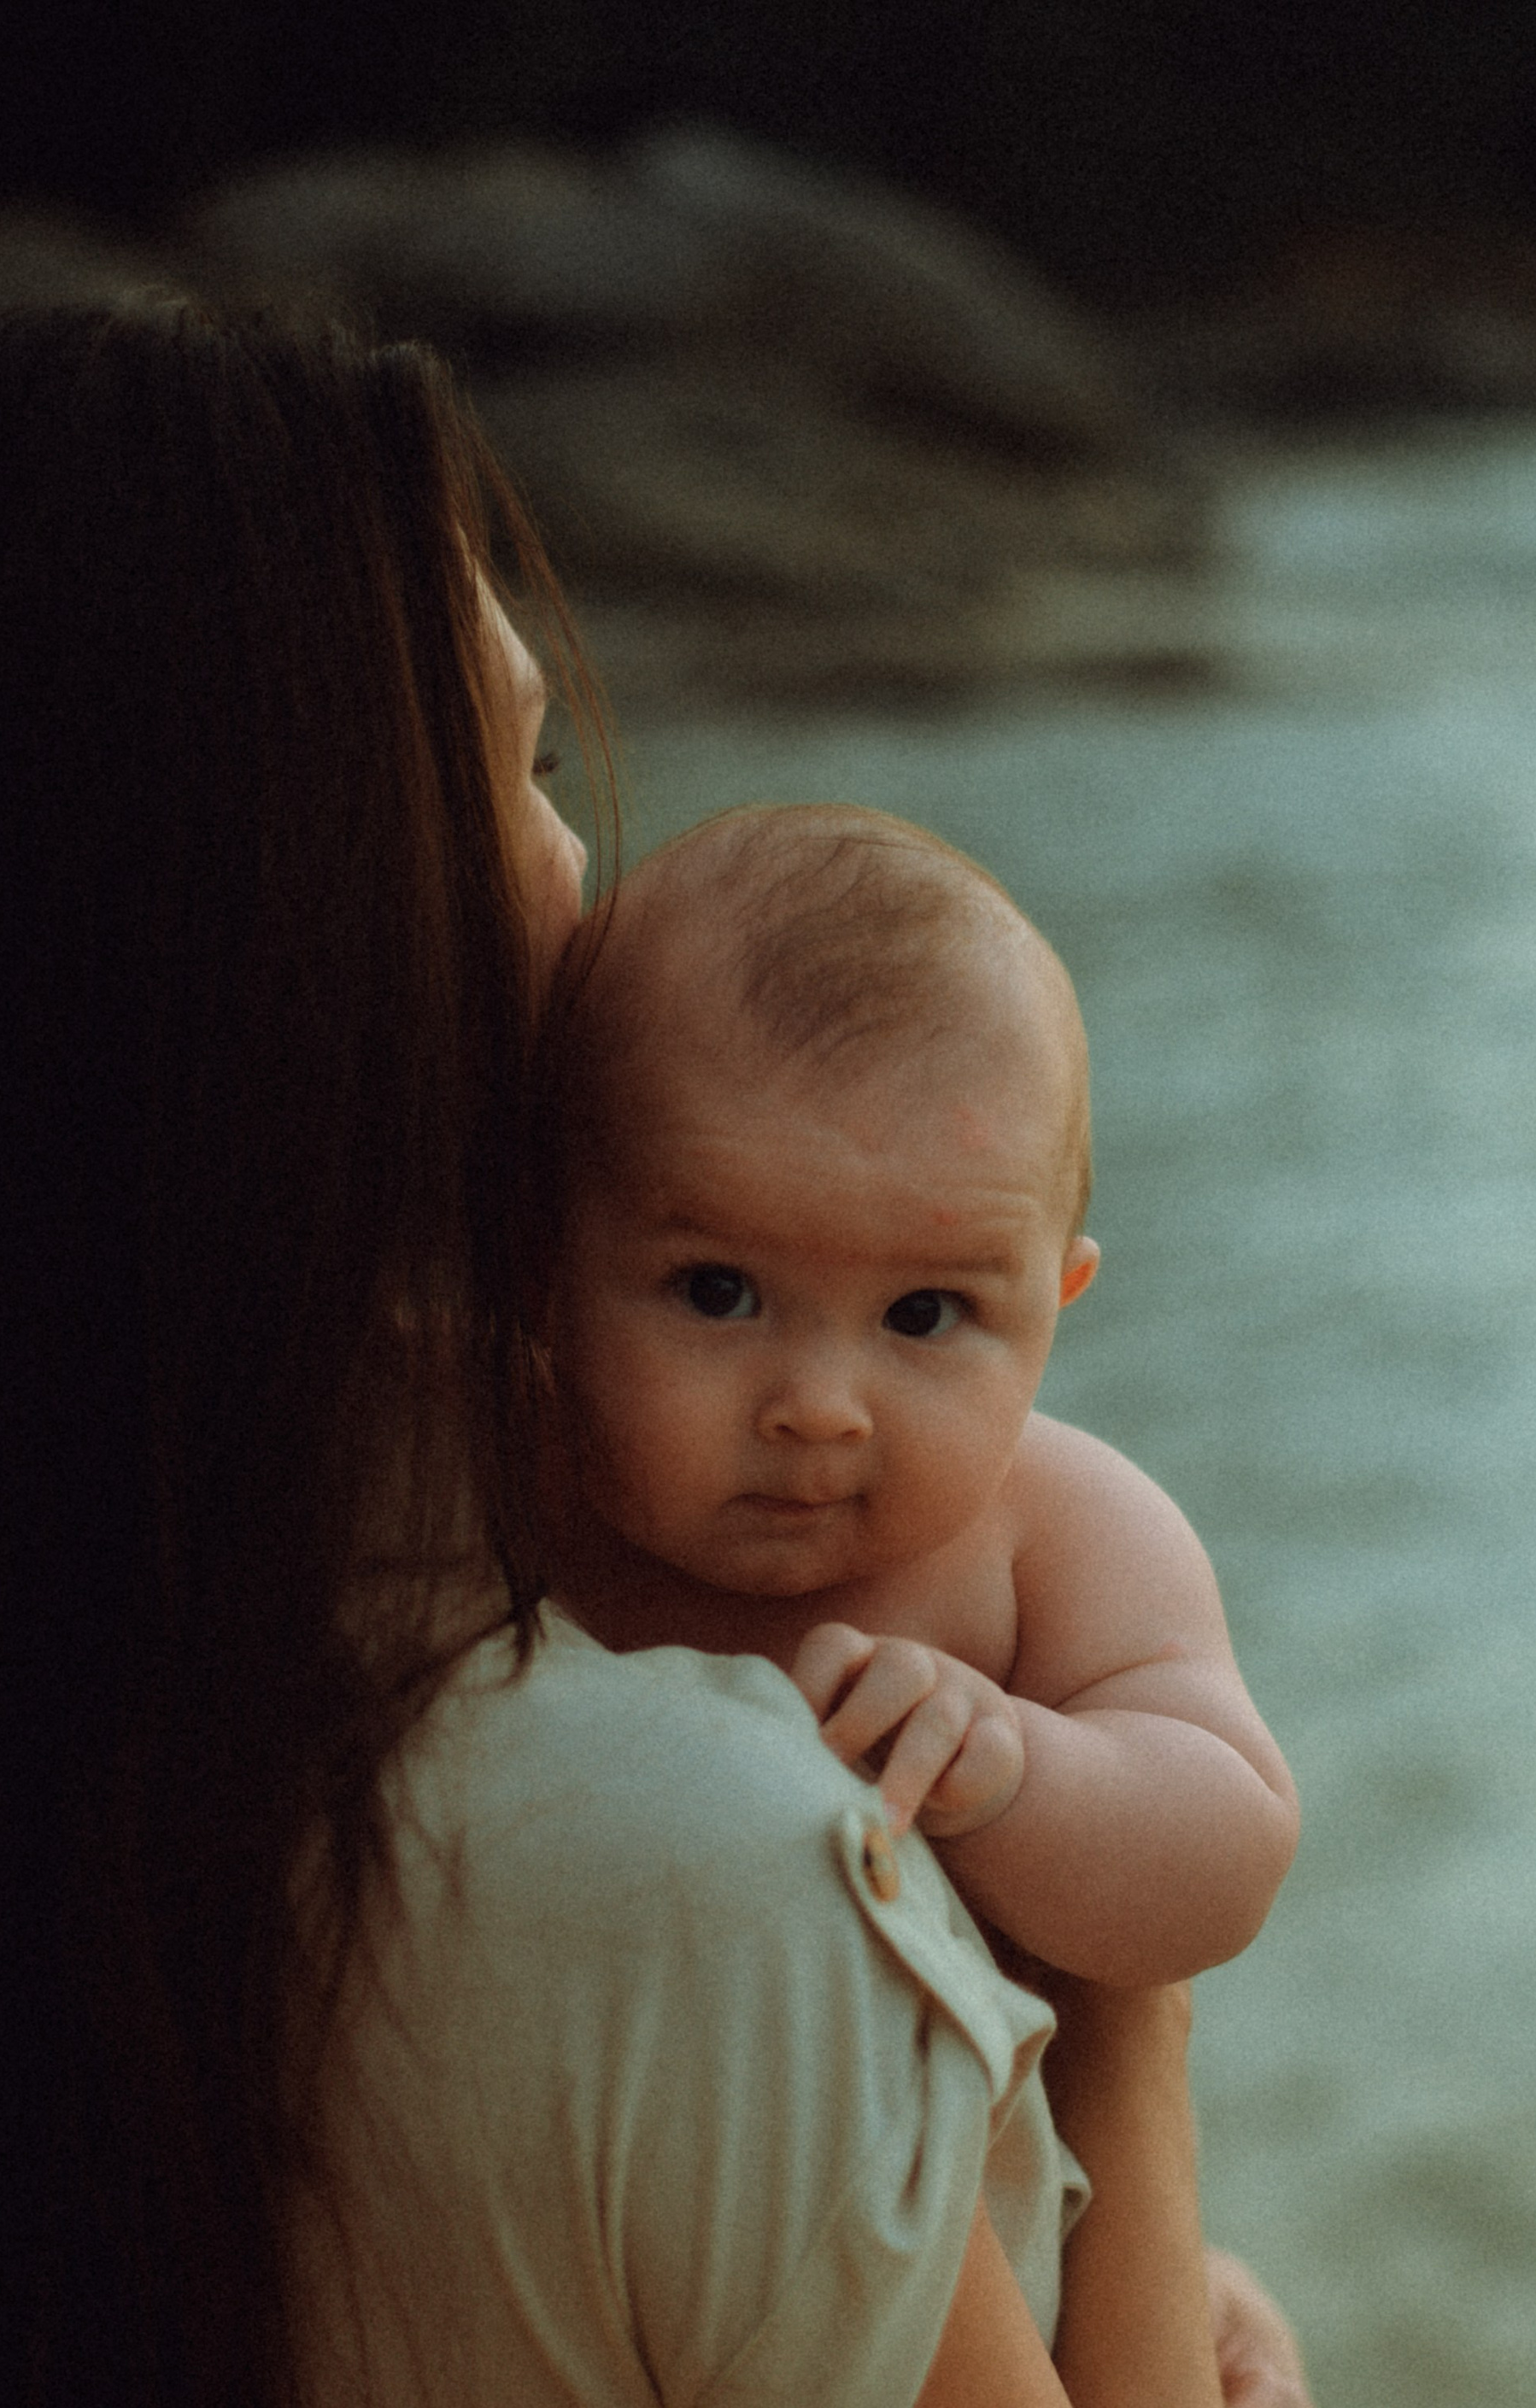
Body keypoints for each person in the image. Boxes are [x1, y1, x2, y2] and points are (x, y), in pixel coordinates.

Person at [0, 302, 1327, 2408]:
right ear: (268, 904)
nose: (581, 876)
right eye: (506, 779)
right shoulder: (691, 1869)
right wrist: (1108, 2079)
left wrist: (1064, 2344)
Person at [536, 804, 1302, 1988]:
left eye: (923, 1316)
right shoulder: (481, 1472)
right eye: (718, 1291)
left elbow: (1228, 1862)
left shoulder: (1054, 1533)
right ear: (537, 1264)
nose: (820, 1408)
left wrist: (1018, 1777)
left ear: (1059, 1299)